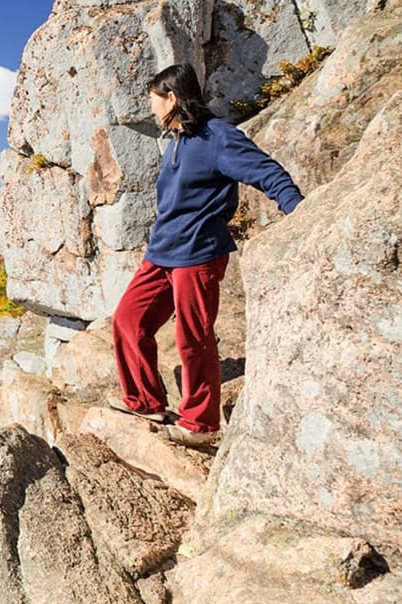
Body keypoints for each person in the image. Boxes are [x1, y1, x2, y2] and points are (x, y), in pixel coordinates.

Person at [108, 63, 304, 447]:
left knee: (193, 339)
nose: (151, 109)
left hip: (198, 254)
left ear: (173, 99)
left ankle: (201, 424)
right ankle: (146, 402)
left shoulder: (219, 137)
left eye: (154, 101)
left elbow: (266, 171)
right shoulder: (177, 141)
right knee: (128, 321)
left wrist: (299, 210)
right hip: (161, 254)